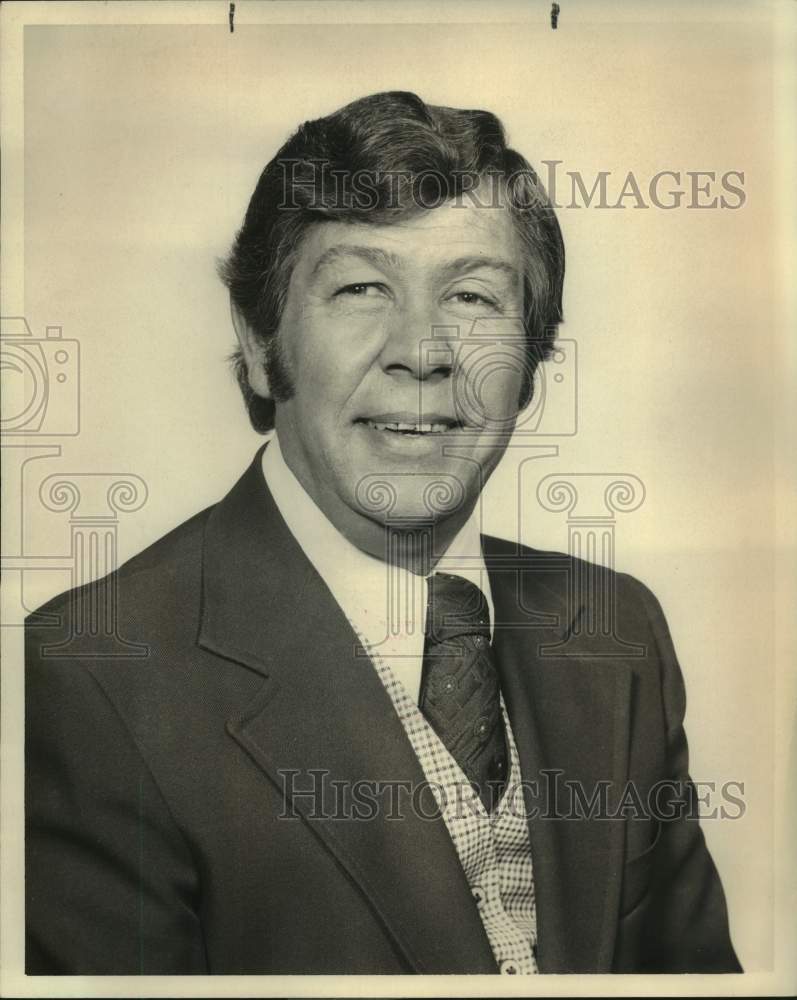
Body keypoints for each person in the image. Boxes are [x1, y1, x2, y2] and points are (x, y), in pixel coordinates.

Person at [25, 91, 741, 975]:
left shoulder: (615, 628)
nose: (422, 350)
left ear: (530, 364)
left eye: (473, 295)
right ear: (258, 343)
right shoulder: (89, 675)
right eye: (362, 287)